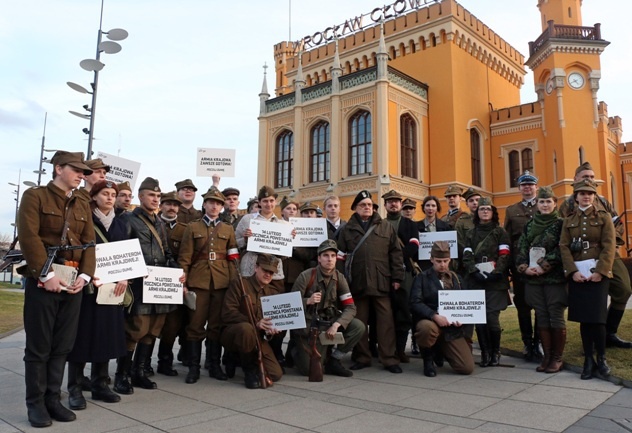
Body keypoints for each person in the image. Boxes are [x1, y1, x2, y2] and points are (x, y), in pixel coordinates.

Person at [17, 151, 96, 428]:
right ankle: (35, 404)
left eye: (84, 172)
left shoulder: (81, 203)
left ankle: (53, 399)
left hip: (72, 280)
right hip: (44, 281)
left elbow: (89, 243)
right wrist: (45, 273)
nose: (81, 175)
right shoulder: (35, 196)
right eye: (76, 170)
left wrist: (85, 276)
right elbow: (29, 236)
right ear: (58, 168)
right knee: (39, 347)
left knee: (62, 346)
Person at [66, 181, 129, 410]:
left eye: (113, 194)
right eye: (105, 193)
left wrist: (125, 276)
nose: (110, 198)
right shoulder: (85, 220)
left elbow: (127, 254)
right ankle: (74, 387)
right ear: (94, 196)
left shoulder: (120, 223)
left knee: (106, 335)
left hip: (112, 288)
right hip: (88, 287)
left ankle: (100, 384)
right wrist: (86, 273)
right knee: (81, 337)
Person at [115, 177, 178, 394]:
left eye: (158, 196)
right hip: (140, 285)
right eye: (152, 195)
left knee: (153, 330)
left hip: (159, 286)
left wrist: (179, 273)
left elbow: (167, 253)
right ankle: (121, 375)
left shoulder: (159, 223)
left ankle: (138, 372)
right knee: (135, 329)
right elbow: (123, 253)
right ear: (141, 196)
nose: (155, 199)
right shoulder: (128, 220)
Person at [559, 162, 632, 349]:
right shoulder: (568, 205)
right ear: (576, 180)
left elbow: (618, 224)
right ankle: (593, 340)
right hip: (582, 258)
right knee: (589, 300)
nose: (589, 180)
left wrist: (606, 237)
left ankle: (610, 332)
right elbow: (563, 233)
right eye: (585, 177)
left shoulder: (603, 201)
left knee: (623, 290)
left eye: (592, 177)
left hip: (608, 253)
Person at [336, 190, 405, 373]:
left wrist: (397, 277)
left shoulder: (385, 227)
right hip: (356, 282)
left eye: (369, 205)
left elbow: (396, 253)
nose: (367, 207)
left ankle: (389, 359)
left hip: (381, 280)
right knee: (359, 322)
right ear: (355, 208)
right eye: (362, 205)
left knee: (385, 322)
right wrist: (342, 282)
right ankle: (362, 357)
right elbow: (340, 257)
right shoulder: (346, 229)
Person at [178, 188, 239, 384]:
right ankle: (193, 367)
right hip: (198, 281)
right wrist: (183, 282)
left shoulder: (227, 228)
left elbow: (232, 258)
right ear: (204, 204)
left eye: (218, 203)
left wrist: (233, 282)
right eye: (211, 202)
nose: (214, 206)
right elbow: (185, 257)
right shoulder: (192, 227)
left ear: (222, 207)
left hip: (221, 282)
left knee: (216, 326)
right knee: (195, 325)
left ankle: (213, 365)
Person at [560, 179, 615, 380]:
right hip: (579, 275)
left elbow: (609, 246)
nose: (586, 196)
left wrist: (600, 271)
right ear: (576, 197)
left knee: (598, 319)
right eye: (582, 193)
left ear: (594, 196)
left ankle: (601, 358)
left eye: (589, 193)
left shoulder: (603, 217)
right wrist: (572, 271)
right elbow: (563, 247)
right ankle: (588, 360)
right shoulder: (569, 219)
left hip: (597, 274)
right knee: (584, 318)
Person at [290, 239, 365, 377]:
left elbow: (350, 307)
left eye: (333, 256)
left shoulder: (339, 278)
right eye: (325, 255)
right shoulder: (306, 276)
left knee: (358, 326)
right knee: (309, 370)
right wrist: (308, 301)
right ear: (319, 258)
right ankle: (295, 350)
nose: (329, 259)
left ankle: (334, 359)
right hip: (309, 327)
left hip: (329, 323)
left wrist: (337, 325)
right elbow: (289, 305)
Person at [515, 186, 567, 373]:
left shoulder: (562, 224)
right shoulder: (530, 225)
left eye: (548, 201)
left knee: (555, 315)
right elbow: (521, 247)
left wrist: (544, 265)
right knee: (542, 315)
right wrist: (524, 268)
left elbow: (563, 248)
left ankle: (557, 358)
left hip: (554, 279)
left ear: (555, 203)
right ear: (537, 204)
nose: (545, 205)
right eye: (542, 202)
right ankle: (546, 356)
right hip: (533, 278)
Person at [410, 241, 475, 377]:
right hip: (432, 322)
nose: (442, 264)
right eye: (438, 261)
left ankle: (440, 350)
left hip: (451, 329)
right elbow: (415, 303)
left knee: (466, 368)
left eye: (445, 261)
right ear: (431, 259)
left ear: (450, 259)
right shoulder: (421, 278)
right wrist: (434, 315)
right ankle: (428, 361)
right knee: (426, 329)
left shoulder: (457, 279)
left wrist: (462, 319)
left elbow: (466, 303)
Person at [220, 254, 284, 389]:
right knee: (246, 329)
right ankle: (248, 370)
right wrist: (255, 323)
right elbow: (228, 313)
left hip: (258, 338)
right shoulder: (240, 285)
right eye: (265, 270)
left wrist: (272, 330)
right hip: (234, 334)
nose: (268, 275)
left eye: (271, 272)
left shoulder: (273, 292)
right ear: (256, 268)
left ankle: (244, 359)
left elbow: (272, 322)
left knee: (275, 374)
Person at [462, 197, 511, 367]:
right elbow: (466, 255)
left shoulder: (500, 232)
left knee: (492, 318)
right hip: (476, 280)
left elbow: (504, 254)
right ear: (477, 212)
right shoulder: (471, 233)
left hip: (495, 282)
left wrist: (496, 273)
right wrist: (473, 271)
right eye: (481, 209)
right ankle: (485, 352)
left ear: (493, 212)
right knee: (480, 319)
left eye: (488, 209)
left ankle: (495, 352)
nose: (484, 211)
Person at [504, 170, 542, 362]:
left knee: (541, 305)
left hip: (541, 264)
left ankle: (539, 342)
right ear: (519, 188)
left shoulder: (545, 206)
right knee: (523, 305)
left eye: (530, 184)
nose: (527, 187)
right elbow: (508, 239)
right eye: (524, 185)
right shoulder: (511, 210)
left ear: (536, 187)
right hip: (520, 264)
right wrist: (510, 265)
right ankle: (527, 343)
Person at [382, 190, 420, 362]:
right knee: (384, 313)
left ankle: (400, 350)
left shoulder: (409, 224)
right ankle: (384, 350)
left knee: (404, 312)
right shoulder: (380, 224)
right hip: (384, 273)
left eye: (396, 201)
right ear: (385, 205)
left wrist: (396, 257)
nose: (393, 204)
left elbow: (413, 245)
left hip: (405, 273)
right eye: (390, 201)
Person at [154, 191, 189, 377]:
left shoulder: (185, 229)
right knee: (150, 324)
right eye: (168, 204)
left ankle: (164, 361)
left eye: (175, 205)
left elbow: (186, 255)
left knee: (172, 325)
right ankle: (141, 363)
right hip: (152, 281)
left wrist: (184, 276)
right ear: (161, 205)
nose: (171, 208)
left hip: (174, 282)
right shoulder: (152, 224)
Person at [417, 195, 452, 271]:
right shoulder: (416, 226)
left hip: (440, 266)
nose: (430, 208)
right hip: (422, 266)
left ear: (437, 208)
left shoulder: (445, 226)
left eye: (433, 206)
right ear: (423, 208)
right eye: (427, 205)